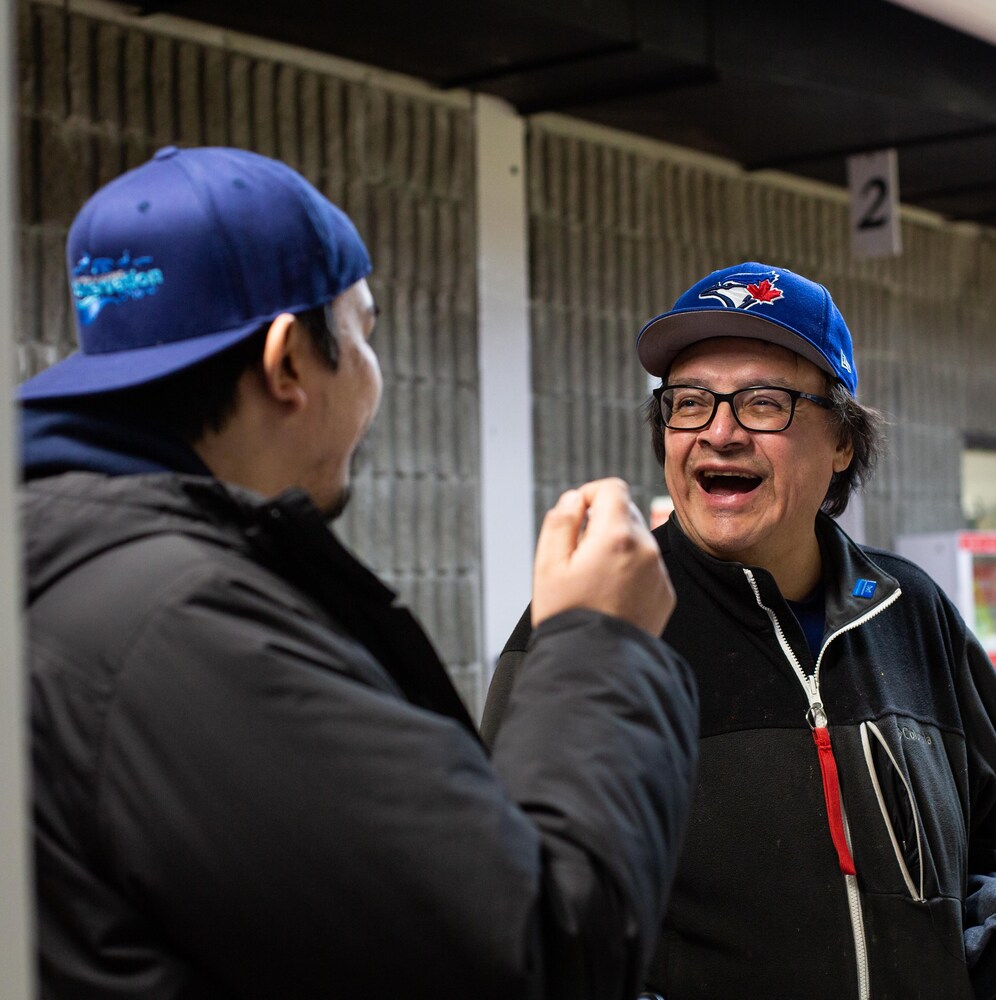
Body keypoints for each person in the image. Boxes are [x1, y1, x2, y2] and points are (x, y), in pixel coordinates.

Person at [19, 145, 699, 999]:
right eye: (364, 332)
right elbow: (535, 955)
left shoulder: (62, 571)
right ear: (289, 363)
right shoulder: (184, 632)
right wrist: (602, 648)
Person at [483, 262, 996, 1000]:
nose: (718, 433)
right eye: (689, 403)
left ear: (843, 442)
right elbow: (522, 914)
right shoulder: (598, 624)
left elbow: (989, 842)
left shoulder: (909, 611)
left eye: (764, 403)